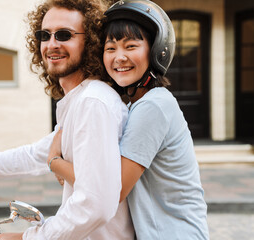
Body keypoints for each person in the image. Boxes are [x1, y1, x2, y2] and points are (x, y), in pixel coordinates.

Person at [0, 0, 135, 239]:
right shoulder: (79, 101)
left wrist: (25, 237)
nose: (52, 44)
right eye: (44, 35)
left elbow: (95, 206)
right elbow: (33, 155)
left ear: (90, 41)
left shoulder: (93, 102)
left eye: (64, 35)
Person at [48, 0, 210, 239]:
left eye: (131, 46)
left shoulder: (154, 106)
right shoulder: (133, 105)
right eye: (110, 48)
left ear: (155, 50)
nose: (119, 57)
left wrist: (54, 161)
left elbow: (112, 189)